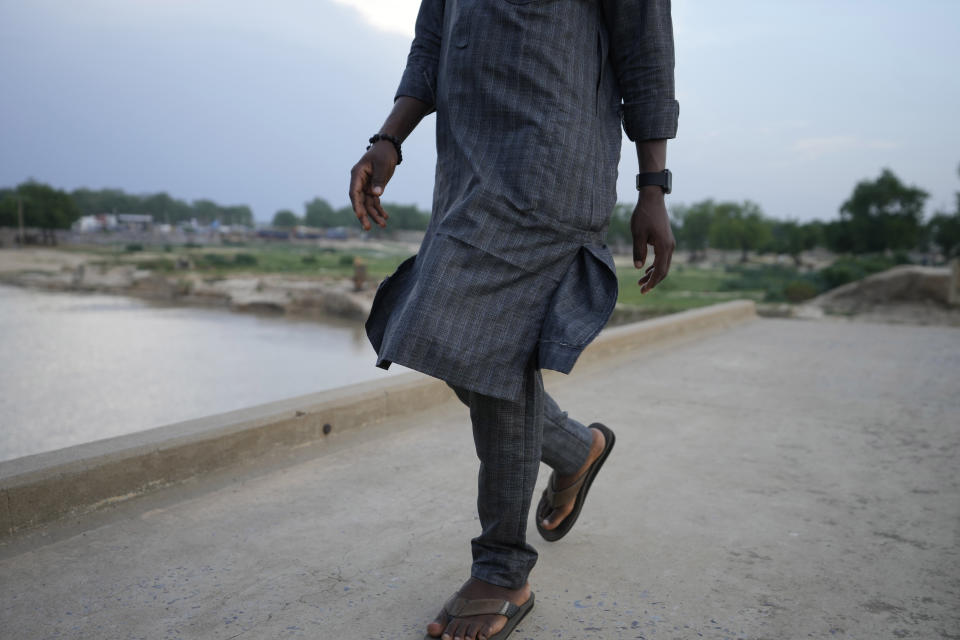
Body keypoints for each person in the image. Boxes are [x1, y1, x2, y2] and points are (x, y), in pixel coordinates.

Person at [349, 1, 678, 638]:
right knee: (444, 332)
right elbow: (433, 42)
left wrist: (653, 186)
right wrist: (388, 138)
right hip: (468, 168)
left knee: (491, 349)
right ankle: (577, 449)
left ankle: (502, 571)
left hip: (552, 163)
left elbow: (646, 52)